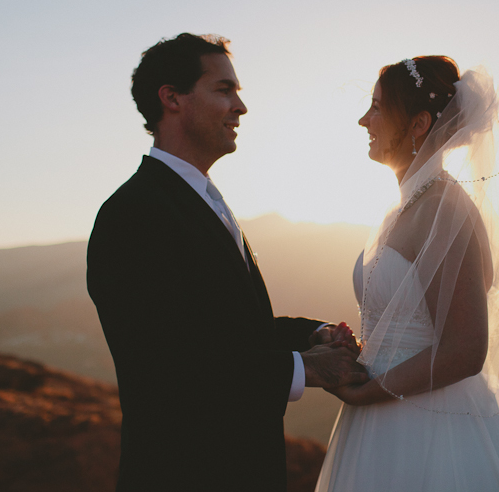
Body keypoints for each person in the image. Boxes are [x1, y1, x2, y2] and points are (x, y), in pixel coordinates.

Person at [87, 33, 366, 492]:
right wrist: (308, 368)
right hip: (183, 473)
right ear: (172, 98)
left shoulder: (200, 200)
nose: (241, 107)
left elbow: (221, 330)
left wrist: (311, 335)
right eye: (224, 90)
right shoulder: (132, 214)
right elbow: (166, 368)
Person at [315, 56, 499, 491]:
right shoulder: (408, 206)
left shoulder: (443, 211)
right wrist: (357, 347)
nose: (364, 120)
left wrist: (367, 392)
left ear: (418, 124)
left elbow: (467, 349)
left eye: (376, 108)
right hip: (381, 419)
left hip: (428, 430)